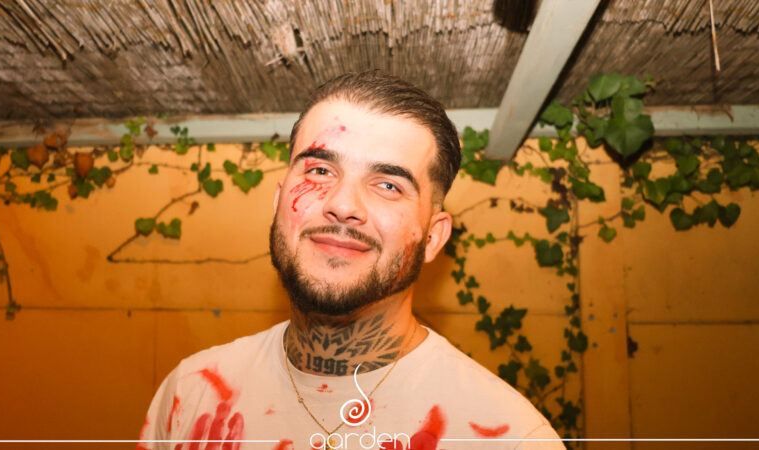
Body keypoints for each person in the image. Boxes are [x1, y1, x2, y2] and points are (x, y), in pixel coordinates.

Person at [137, 71, 564, 450]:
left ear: (432, 238)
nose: (342, 205)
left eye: (388, 185)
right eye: (320, 171)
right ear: (278, 205)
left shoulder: (511, 437)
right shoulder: (188, 397)